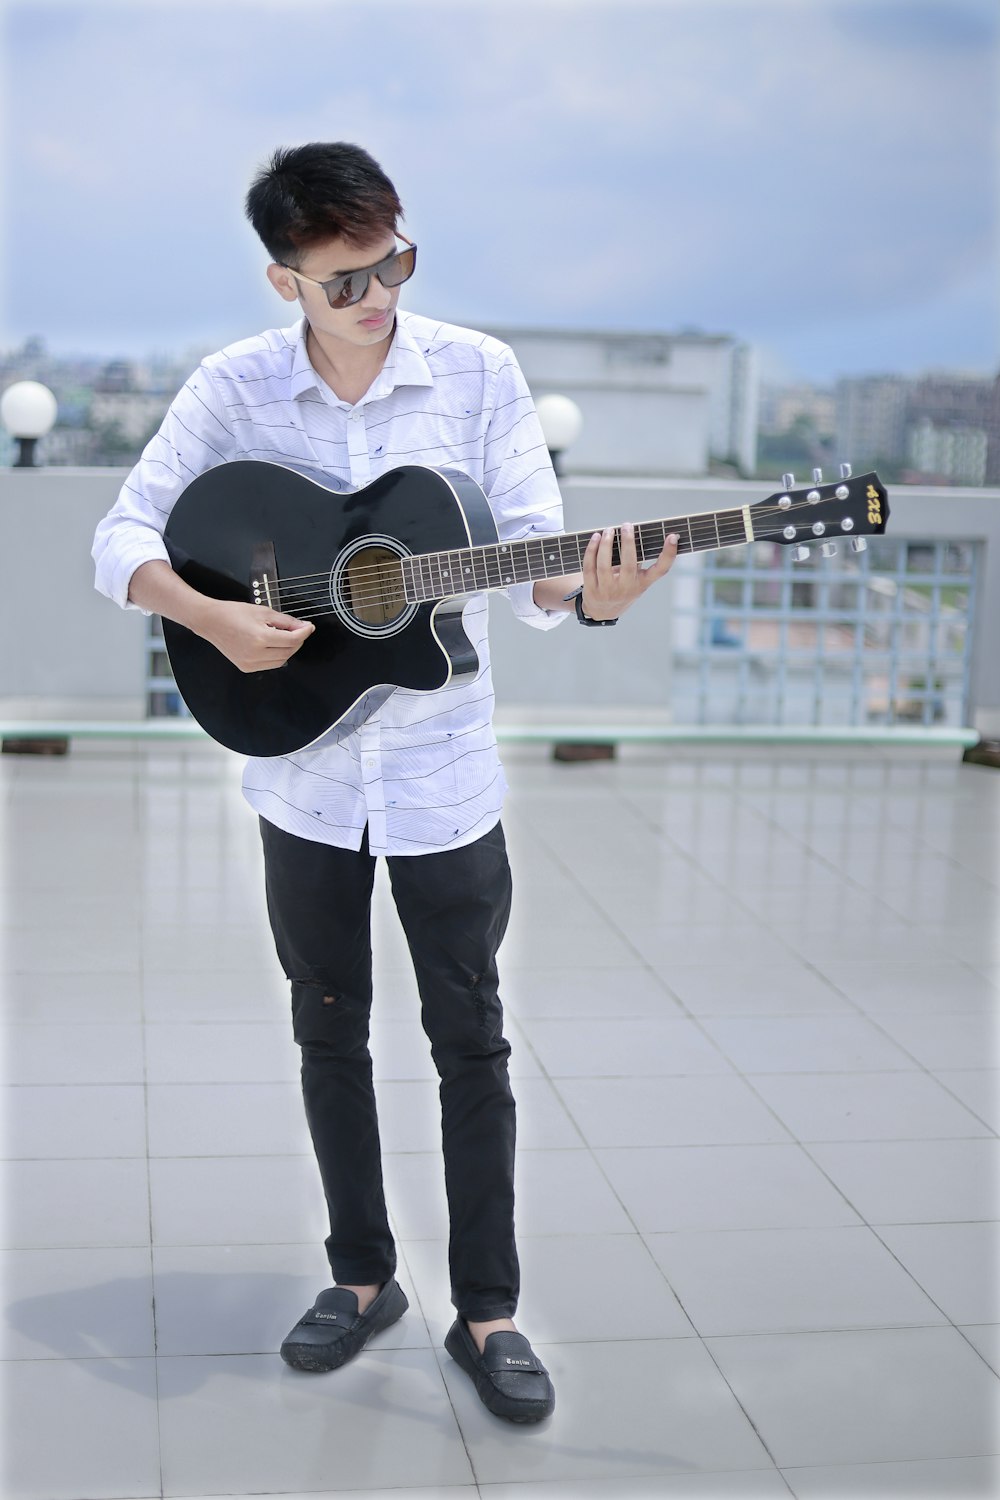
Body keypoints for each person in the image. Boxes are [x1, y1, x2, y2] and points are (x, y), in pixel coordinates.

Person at [92, 141, 677, 1424]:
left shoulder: (477, 374)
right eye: (347, 278)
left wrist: (593, 596)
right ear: (284, 279)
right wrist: (214, 619)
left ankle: (491, 1311)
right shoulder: (233, 389)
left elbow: (532, 558)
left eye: (395, 263)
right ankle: (362, 1280)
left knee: (470, 1039)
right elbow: (120, 534)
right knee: (326, 1029)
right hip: (298, 774)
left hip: (442, 781)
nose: (378, 297)